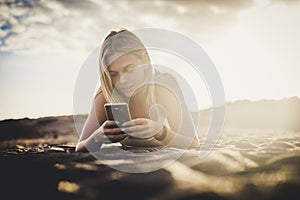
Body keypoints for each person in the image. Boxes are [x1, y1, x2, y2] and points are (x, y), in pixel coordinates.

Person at [75, 29, 199, 152]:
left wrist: (160, 132)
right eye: (113, 74)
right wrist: (97, 137)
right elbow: (80, 147)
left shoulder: (165, 86)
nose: (122, 81)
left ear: (144, 61)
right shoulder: (106, 93)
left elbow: (193, 143)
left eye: (129, 69)